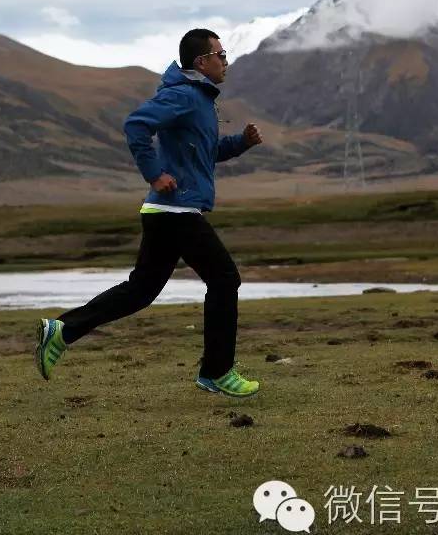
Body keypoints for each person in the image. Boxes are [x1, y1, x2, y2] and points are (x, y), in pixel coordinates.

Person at [34, 28, 265, 397]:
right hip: (176, 211)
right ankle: (217, 372)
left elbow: (204, 154)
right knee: (224, 279)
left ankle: (63, 331)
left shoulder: (200, 99)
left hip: (169, 210)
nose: (226, 62)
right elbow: (136, 125)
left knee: (140, 290)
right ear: (201, 62)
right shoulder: (183, 95)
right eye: (221, 55)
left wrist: (241, 144)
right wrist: (154, 174)